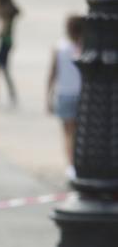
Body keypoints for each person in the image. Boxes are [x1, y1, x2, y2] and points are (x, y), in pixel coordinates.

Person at [47, 15, 84, 171]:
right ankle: (78, 161)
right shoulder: (84, 47)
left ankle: (71, 165)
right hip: (81, 94)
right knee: (80, 133)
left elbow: (52, 73)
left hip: (65, 93)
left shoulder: (59, 47)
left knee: (68, 133)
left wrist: (48, 95)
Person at [0, 0, 20, 107]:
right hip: (8, 43)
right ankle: (11, 93)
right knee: (4, 69)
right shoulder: (10, 13)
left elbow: (4, 29)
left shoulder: (6, 14)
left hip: (3, 43)